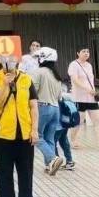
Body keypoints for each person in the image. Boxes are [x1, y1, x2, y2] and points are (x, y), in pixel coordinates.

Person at [0, 57, 39, 197]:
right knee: (4, 171)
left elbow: (33, 106)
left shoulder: (26, 79)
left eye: (12, 60)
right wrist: (4, 84)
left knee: (26, 170)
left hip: (24, 133)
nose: (9, 63)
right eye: (5, 60)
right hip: (3, 134)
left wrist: (34, 130)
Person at [67, 48, 99, 152]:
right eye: (83, 51)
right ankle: (73, 140)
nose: (86, 53)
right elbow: (75, 80)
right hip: (79, 98)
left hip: (91, 98)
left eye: (87, 51)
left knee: (98, 121)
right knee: (78, 121)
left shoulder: (89, 65)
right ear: (78, 53)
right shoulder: (73, 65)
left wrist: (93, 91)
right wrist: (87, 89)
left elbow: (90, 81)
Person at [30, 47, 65, 175]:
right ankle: (49, 165)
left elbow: (33, 91)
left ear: (42, 58)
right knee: (50, 138)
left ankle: (53, 158)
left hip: (42, 107)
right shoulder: (56, 75)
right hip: (56, 109)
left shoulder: (38, 72)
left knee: (37, 136)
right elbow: (60, 96)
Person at [54, 82, 75, 170]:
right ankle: (69, 161)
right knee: (63, 140)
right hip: (66, 122)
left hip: (57, 124)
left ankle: (56, 162)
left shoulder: (54, 96)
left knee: (52, 141)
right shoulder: (66, 95)